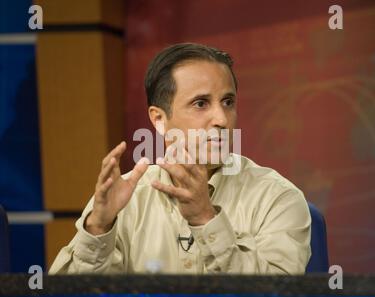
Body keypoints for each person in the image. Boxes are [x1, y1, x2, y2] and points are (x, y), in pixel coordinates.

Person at [49, 43, 311, 274]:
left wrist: (205, 220)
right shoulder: (124, 198)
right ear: (159, 119)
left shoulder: (278, 197)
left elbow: (276, 294)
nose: (221, 119)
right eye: (201, 103)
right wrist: (98, 228)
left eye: (228, 102)